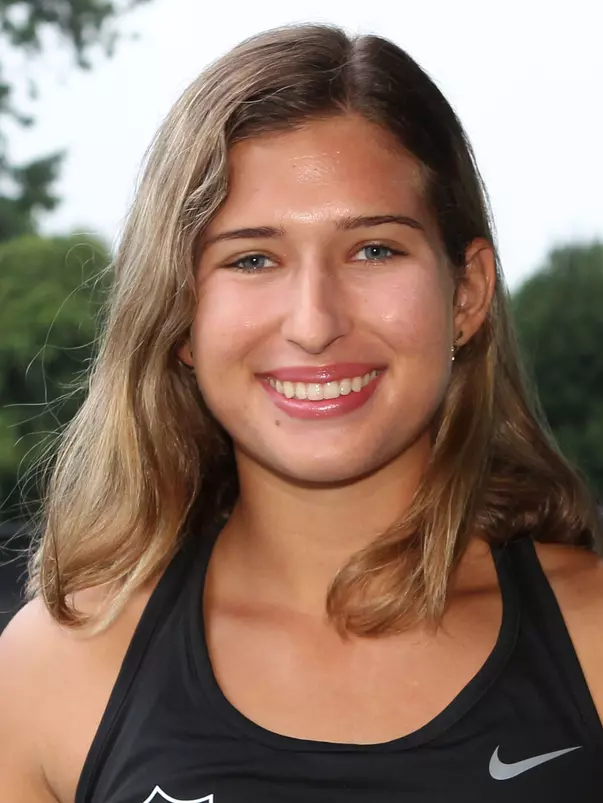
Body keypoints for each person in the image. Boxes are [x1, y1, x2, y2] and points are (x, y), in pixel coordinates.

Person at [1, 22, 602, 803]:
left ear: (466, 293)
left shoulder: (591, 639)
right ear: (180, 318)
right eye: (252, 258)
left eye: (373, 250)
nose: (313, 322)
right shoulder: (56, 668)